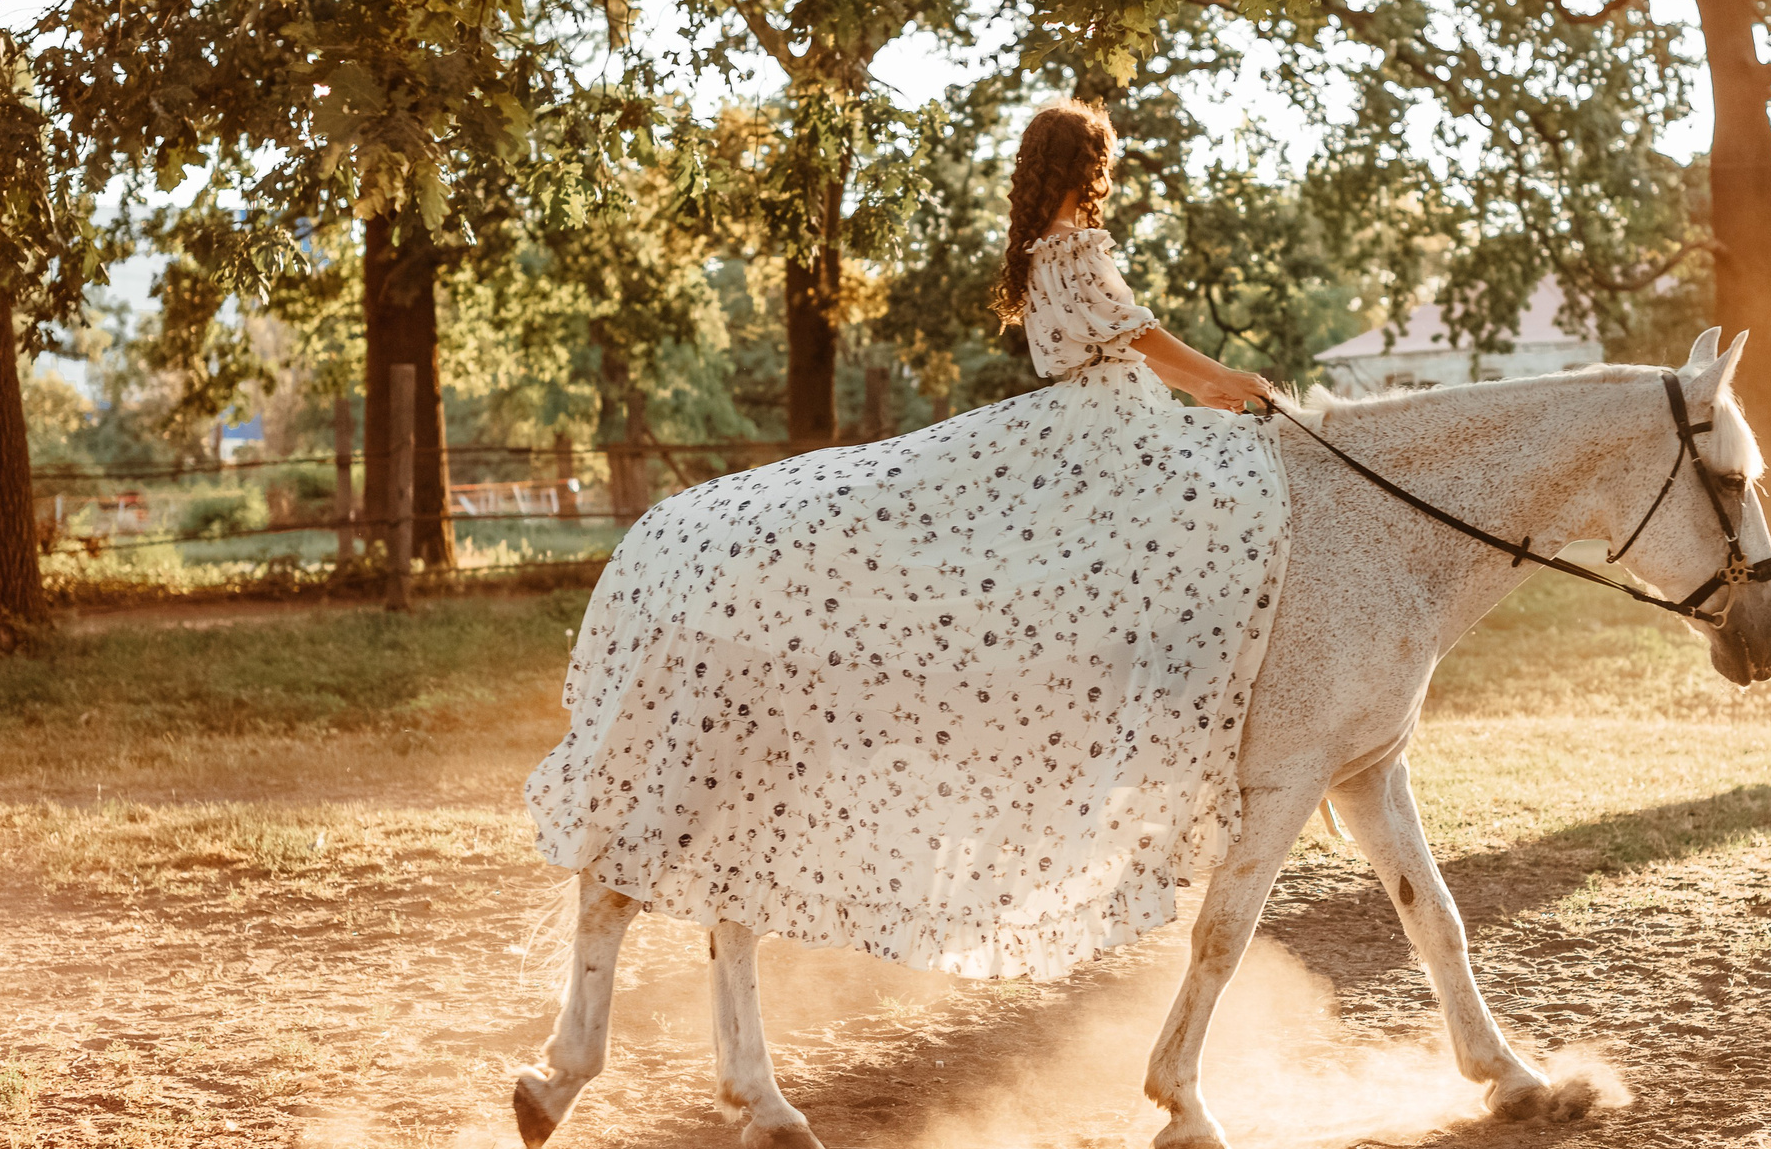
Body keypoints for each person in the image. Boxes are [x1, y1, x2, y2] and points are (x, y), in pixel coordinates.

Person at [527, 100, 1294, 981]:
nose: (1102, 176)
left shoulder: (1040, 245)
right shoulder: (1077, 242)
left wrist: (1201, 385)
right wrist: (1223, 380)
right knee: (1208, 516)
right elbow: (1138, 338)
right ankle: (1173, 679)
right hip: (1107, 424)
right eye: (1100, 161)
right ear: (1088, 164)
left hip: (1085, 415)